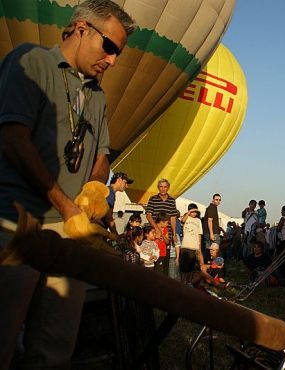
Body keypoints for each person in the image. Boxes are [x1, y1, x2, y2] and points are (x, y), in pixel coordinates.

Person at [0, 1, 135, 367]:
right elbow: (14, 138)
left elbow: (101, 157)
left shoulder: (97, 95)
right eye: (109, 47)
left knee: (56, 342)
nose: (113, 61)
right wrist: (66, 205)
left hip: (70, 227)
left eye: (119, 53)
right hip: (17, 220)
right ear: (80, 29)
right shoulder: (31, 62)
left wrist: (94, 191)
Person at [145, 178, 179, 246]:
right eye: (161, 186)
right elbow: (148, 216)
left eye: (165, 187)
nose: (163, 189)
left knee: (165, 254)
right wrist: (156, 229)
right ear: (158, 188)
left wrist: (174, 234)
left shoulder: (171, 200)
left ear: (168, 188)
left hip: (167, 234)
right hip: (154, 233)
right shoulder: (153, 199)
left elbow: (173, 219)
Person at [177, 203, 206, 281]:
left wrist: (199, 246)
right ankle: (182, 281)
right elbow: (182, 221)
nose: (194, 213)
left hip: (194, 246)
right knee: (183, 267)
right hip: (185, 245)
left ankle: (189, 281)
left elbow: (199, 234)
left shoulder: (198, 220)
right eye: (192, 212)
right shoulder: (186, 218)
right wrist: (189, 212)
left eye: (195, 212)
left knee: (191, 266)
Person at [105, 171, 133, 236]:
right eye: (125, 183)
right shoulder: (110, 193)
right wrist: (116, 236)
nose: (127, 186)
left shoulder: (108, 190)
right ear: (119, 180)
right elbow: (108, 217)